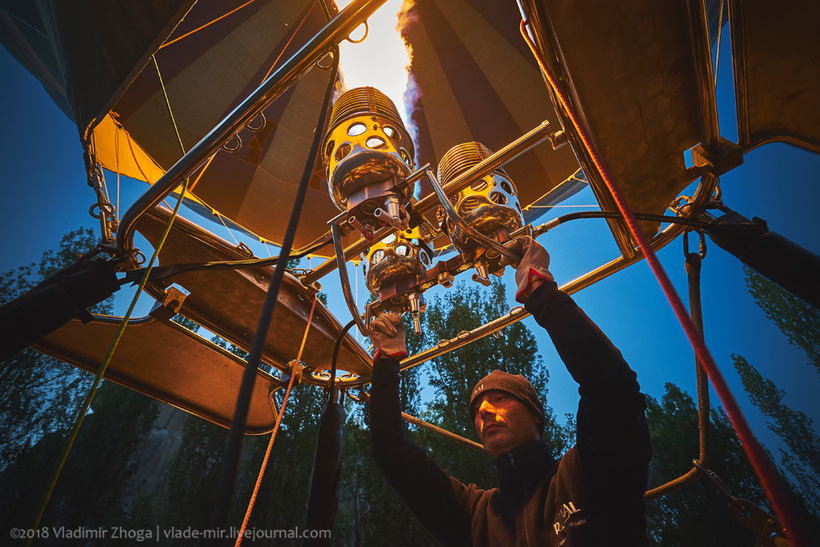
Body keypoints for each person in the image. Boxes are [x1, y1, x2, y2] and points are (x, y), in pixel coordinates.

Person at [368, 236, 652, 546]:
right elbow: (391, 452)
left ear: (534, 413)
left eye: (500, 398)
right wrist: (386, 363)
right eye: (477, 410)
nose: (484, 412)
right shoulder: (475, 514)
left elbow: (610, 386)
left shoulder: (588, 473)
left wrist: (540, 293)